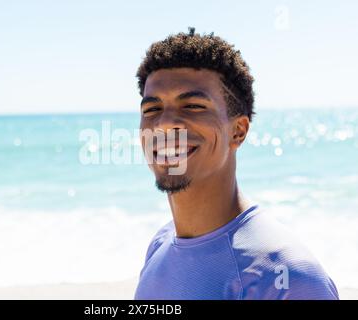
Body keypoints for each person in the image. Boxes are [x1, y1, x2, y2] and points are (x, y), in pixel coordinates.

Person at [134, 28, 339, 300]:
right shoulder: (161, 244)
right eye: (152, 109)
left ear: (238, 131)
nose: (165, 123)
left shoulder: (286, 276)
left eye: (193, 106)